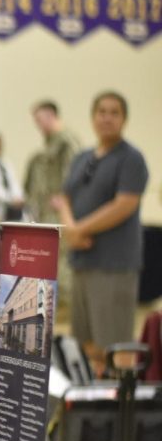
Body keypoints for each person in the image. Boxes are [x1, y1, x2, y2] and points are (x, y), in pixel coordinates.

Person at [55, 91, 149, 377]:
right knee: (85, 340)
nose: (107, 117)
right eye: (102, 111)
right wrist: (71, 228)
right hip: (83, 261)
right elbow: (64, 198)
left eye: (115, 112)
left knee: (114, 344)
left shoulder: (131, 159)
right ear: (93, 117)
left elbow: (124, 204)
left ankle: (121, 405)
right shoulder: (82, 156)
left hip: (114, 264)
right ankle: (92, 401)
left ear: (124, 119)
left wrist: (78, 229)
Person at [23, 100, 79, 224]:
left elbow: (74, 171)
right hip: (46, 209)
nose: (37, 125)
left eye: (39, 120)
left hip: (59, 209)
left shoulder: (66, 141)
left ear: (50, 115)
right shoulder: (49, 144)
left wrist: (65, 197)